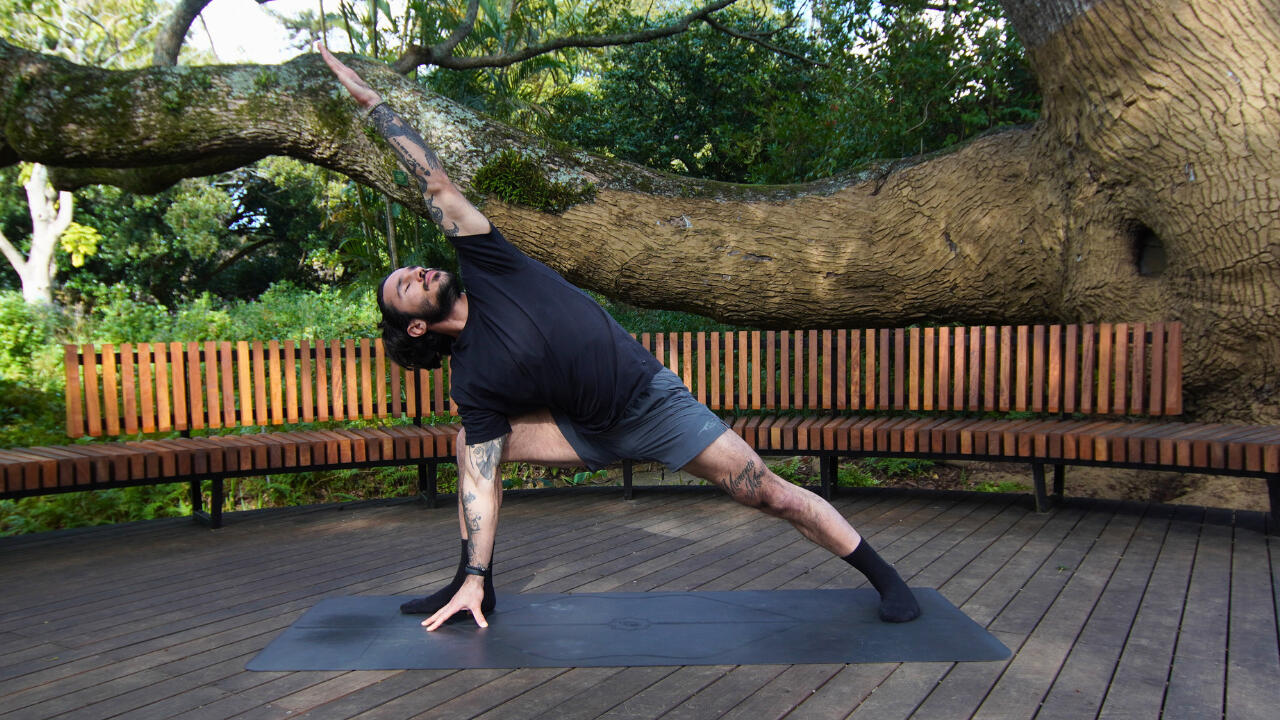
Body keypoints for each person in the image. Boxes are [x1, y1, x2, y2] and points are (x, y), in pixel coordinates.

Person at [316, 43, 921, 632]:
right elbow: (480, 477)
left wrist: (375, 106)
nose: (418, 272)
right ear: (415, 324)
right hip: (580, 431)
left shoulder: (488, 263)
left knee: (766, 493)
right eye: (405, 285)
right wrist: (476, 568)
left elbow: (437, 187)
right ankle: (475, 583)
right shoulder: (471, 378)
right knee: (471, 450)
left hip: (651, 405)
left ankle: (886, 578)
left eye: (415, 269)